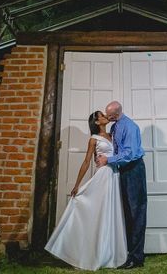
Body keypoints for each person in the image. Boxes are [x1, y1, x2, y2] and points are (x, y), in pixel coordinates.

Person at [45, 110, 127, 271]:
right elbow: (86, 162)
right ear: (97, 122)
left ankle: (108, 252)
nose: (105, 117)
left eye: (104, 115)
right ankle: (82, 252)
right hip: (103, 176)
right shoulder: (93, 139)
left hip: (115, 176)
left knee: (111, 213)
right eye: (102, 116)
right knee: (96, 212)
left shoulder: (112, 135)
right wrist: (77, 185)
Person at [96, 101, 147, 269]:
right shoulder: (115, 127)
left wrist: (108, 160)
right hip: (122, 171)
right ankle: (127, 253)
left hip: (134, 169)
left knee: (136, 212)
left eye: (108, 114)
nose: (106, 116)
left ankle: (137, 258)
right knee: (126, 212)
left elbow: (130, 153)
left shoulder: (129, 127)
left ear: (115, 115)